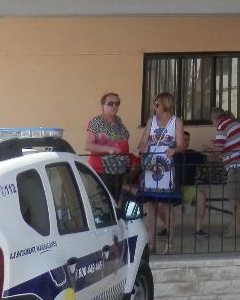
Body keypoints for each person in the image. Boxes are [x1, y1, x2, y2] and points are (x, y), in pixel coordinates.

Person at [137, 92, 184, 254]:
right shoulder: (151, 121)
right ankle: (151, 243)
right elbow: (143, 141)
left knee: (166, 205)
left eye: (157, 104)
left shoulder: (176, 122)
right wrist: (141, 148)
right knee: (151, 205)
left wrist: (174, 149)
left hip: (166, 166)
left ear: (165, 104)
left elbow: (181, 144)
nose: (154, 107)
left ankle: (170, 242)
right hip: (151, 165)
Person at [211, 108, 240, 237]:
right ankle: (236, 226)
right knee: (238, 197)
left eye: (212, 121)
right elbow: (231, 144)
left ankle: (237, 228)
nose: (213, 124)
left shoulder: (221, 127)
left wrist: (211, 154)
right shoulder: (236, 123)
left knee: (232, 197)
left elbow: (218, 151)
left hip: (236, 166)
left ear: (215, 118)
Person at [83, 92, 132, 198]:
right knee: (104, 204)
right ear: (103, 105)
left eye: (117, 103)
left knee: (115, 203)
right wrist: (108, 149)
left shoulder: (119, 121)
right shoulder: (96, 122)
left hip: (119, 171)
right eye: (110, 103)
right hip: (101, 170)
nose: (114, 106)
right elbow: (88, 145)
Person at [174, 131, 210, 239]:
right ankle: (168, 227)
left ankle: (198, 230)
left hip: (188, 188)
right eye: (184, 139)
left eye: (188, 139)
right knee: (157, 200)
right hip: (172, 188)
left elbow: (208, 159)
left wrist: (217, 154)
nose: (186, 142)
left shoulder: (192, 154)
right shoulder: (170, 154)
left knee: (201, 196)